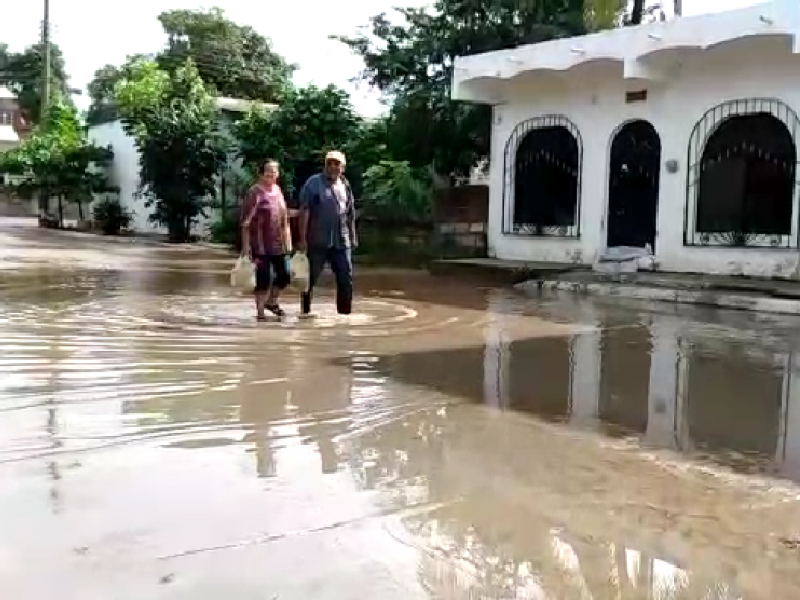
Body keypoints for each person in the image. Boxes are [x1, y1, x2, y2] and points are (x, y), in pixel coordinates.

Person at [296, 150, 357, 316]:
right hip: (318, 240)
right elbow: (305, 211)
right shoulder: (313, 183)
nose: (332, 166)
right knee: (310, 278)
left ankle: (345, 314)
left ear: (342, 167)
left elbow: (350, 212)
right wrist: (302, 239)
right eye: (329, 163)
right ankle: (306, 311)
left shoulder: (345, 184)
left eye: (336, 164)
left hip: (341, 240)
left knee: (346, 277)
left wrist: (352, 237)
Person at [241, 160, 292, 321]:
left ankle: (272, 301)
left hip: (278, 244)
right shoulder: (255, 193)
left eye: (274, 171)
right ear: (261, 174)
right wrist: (245, 247)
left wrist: (288, 240)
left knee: (285, 275)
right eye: (267, 171)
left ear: (278, 174)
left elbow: (284, 218)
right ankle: (260, 314)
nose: (271, 174)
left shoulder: (278, 191)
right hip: (260, 245)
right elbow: (246, 223)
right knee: (263, 280)